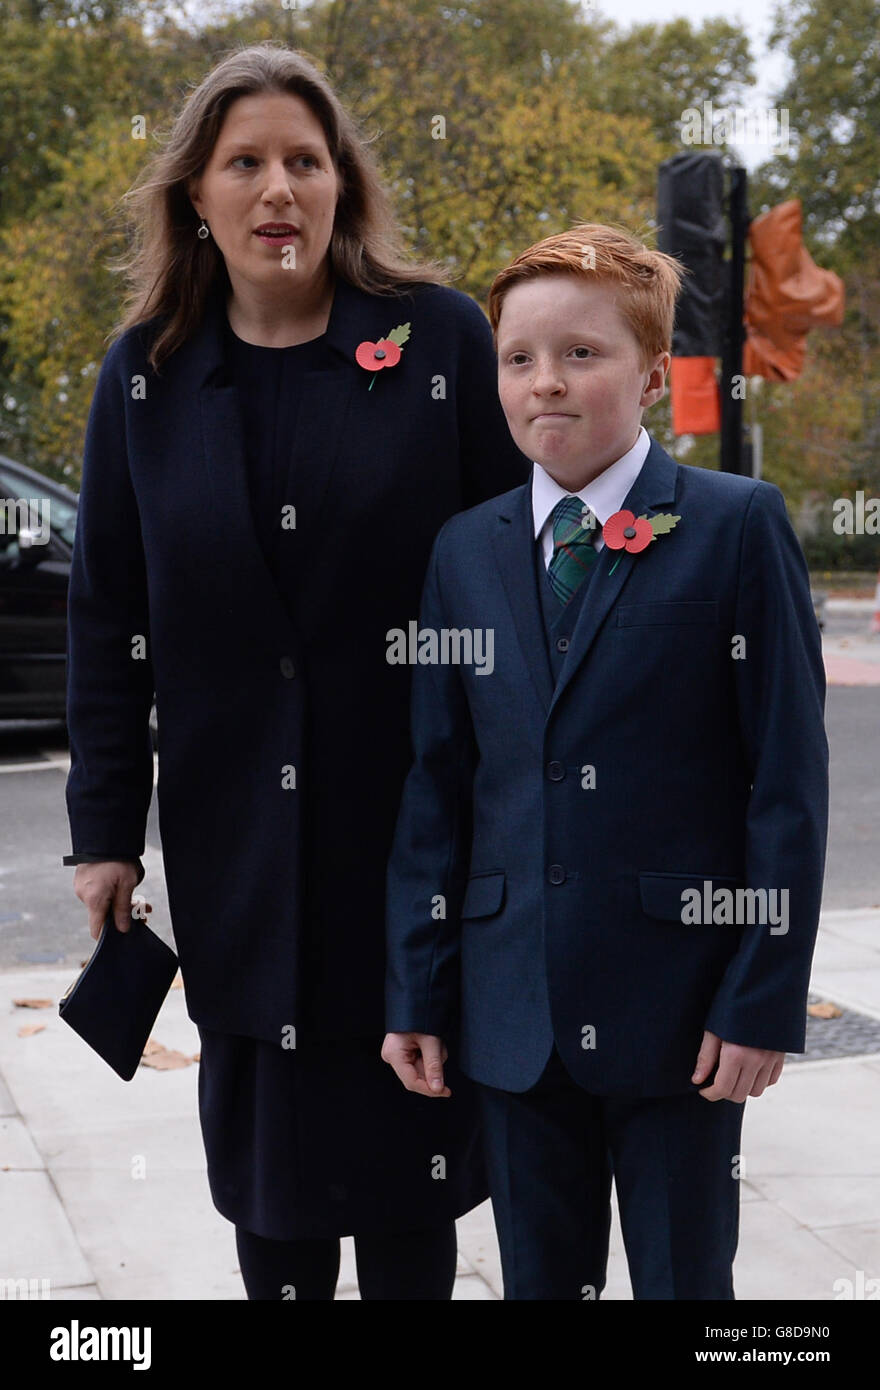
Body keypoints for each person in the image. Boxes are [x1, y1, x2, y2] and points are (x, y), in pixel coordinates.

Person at [62, 42, 529, 1301]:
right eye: (247, 163)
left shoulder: (433, 339)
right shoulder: (144, 378)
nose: (279, 188)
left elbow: (510, 577)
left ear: (341, 188)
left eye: (305, 162)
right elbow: (109, 620)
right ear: (197, 201)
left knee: (409, 1172)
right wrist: (104, 832)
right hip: (235, 852)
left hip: (413, 839)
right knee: (268, 1182)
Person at [382, 223, 829, 1299]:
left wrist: (760, 997)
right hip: (512, 1011)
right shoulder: (465, 551)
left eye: (581, 354)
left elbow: (785, 783)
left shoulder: (733, 526)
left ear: (648, 370)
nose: (546, 383)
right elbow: (438, 784)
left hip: (682, 1016)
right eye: (518, 358)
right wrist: (417, 986)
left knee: (685, 1284)